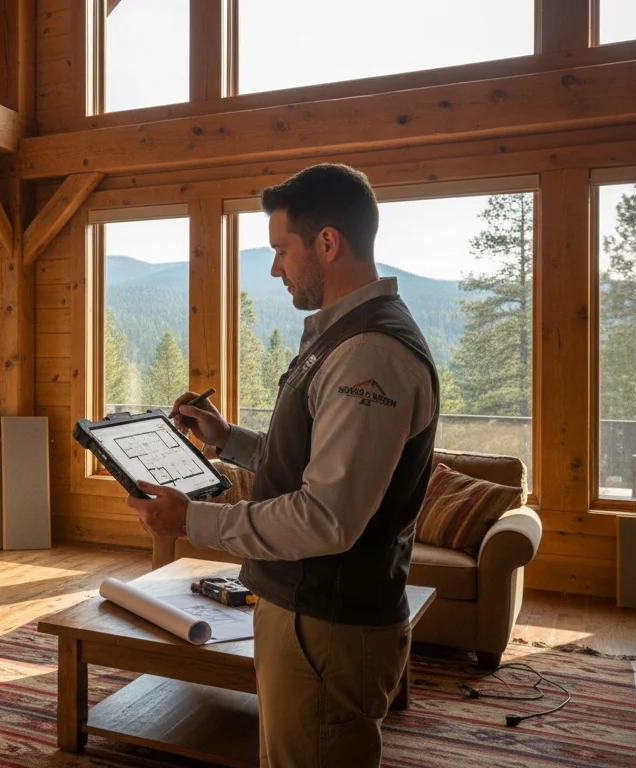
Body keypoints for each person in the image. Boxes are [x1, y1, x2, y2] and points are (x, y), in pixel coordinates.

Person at [126, 163, 439, 768]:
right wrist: (227, 440)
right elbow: (310, 463)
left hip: (326, 626)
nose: (274, 268)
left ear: (327, 242)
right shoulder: (342, 338)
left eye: (280, 250)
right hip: (308, 616)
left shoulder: (368, 353)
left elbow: (326, 518)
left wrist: (190, 520)